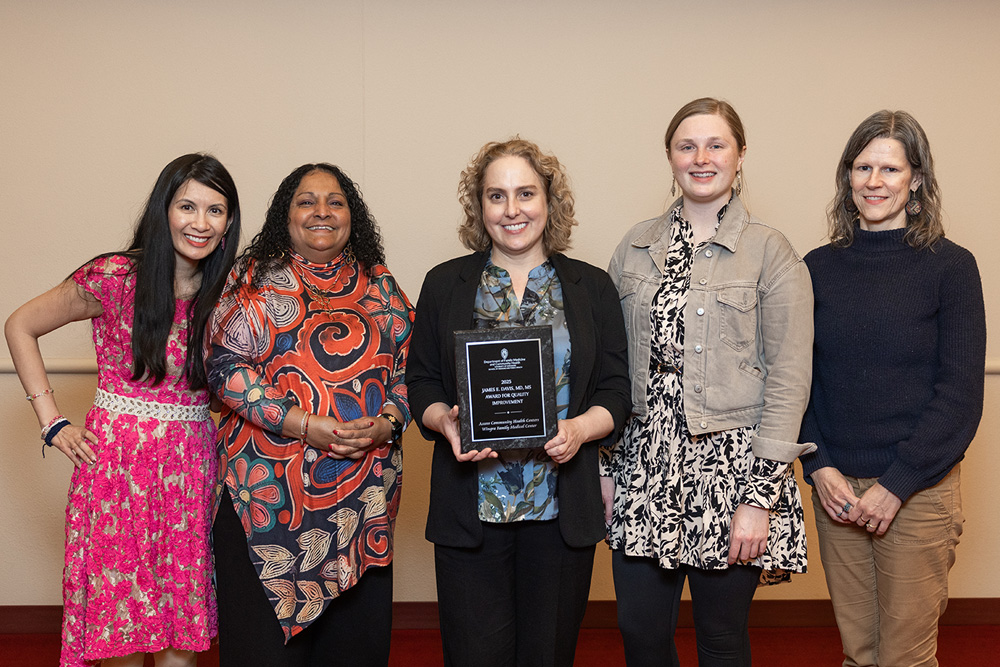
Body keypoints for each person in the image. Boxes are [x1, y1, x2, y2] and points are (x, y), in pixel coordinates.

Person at [5, 154, 241, 667]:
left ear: (228, 224)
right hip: (116, 474)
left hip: (191, 471)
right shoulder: (116, 275)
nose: (200, 223)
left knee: (183, 634)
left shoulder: (229, 294)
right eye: (188, 206)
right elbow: (20, 324)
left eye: (215, 211)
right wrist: (52, 422)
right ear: (164, 210)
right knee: (124, 630)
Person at [601, 98, 814, 667]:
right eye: (686, 145)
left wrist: (759, 498)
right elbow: (607, 368)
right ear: (669, 157)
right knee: (640, 634)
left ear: (740, 156)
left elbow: (790, 380)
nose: (701, 158)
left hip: (733, 473)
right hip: (642, 468)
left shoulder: (772, 251)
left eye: (716, 145)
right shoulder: (635, 247)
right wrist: (603, 470)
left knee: (721, 640)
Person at [406, 138, 630, 667]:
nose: (512, 210)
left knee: (548, 655)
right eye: (496, 196)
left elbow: (616, 390)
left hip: (559, 508)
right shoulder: (445, 284)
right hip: (471, 508)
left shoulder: (590, 287)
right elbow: (421, 382)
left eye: (525, 193)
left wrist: (580, 430)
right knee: (472, 656)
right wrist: (445, 423)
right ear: (478, 206)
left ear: (549, 201)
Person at [205, 163, 414, 666]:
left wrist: (388, 420)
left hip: (362, 514)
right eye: (306, 200)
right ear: (286, 214)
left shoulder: (381, 283)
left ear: (352, 215)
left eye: (335, 201)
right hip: (268, 511)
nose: (321, 211)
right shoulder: (255, 279)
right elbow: (223, 367)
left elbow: (411, 375)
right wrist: (303, 424)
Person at [800, 110, 986, 667]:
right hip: (837, 491)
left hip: (918, 490)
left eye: (890, 168)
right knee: (858, 653)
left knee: (904, 657)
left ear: (917, 180)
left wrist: (896, 484)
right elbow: (798, 383)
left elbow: (958, 397)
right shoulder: (815, 268)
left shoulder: (951, 268)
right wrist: (819, 467)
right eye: (862, 167)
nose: (874, 181)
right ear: (847, 177)